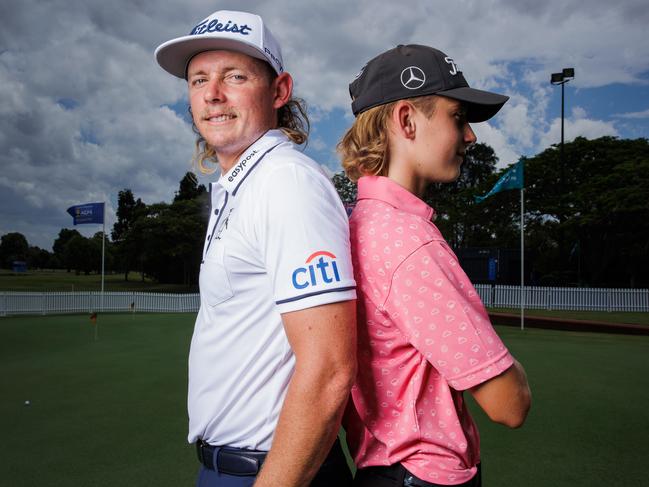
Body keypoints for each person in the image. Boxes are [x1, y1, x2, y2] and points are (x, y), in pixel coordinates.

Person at [154, 10, 357, 487]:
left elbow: (330, 369)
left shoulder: (286, 182)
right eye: (199, 79)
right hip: (234, 467)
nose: (212, 94)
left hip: (272, 471)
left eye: (235, 76)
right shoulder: (240, 185)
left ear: (279, 91)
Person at [337, 44, 531, 487]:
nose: (470, 137)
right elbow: (509, 403)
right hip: (423, 475)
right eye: (457, 117)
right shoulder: (408, 241)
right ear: (406, 120)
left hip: (382, 468)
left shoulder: (356, 222)